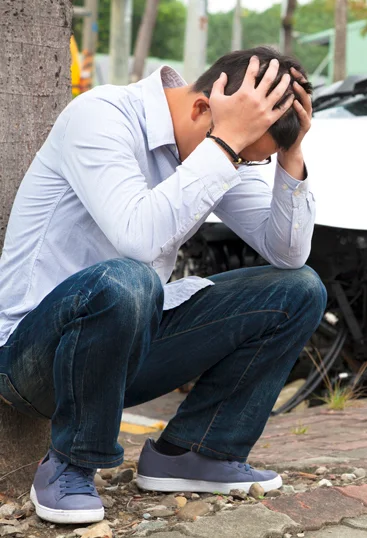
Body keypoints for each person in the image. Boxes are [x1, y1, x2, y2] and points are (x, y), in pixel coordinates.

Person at [0, 47, 325, 525]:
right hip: (33, 359)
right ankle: (71, 464)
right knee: (129, 279)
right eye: (242, 155)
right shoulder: (102, 116)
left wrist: (289, 154)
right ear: (201, 108)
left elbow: (289, 253)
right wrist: (227, 145)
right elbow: (138, 237)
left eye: (250, 160)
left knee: (299, 289)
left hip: (124, 351)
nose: (238, 166)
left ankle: (195, 451)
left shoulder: (218, 143)